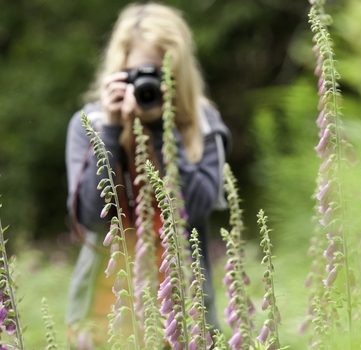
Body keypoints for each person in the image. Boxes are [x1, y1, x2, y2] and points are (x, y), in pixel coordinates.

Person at [65, 2, 231, 348]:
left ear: (179, 75)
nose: (147, 85)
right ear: (119, 70)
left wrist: (160, 128)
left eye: (159, 75)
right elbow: (91, 219)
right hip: (103, 311)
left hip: (185, 311)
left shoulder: (204, 126)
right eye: (138, 73)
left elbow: (196, 206)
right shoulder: (91, 125)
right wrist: (111, 130)